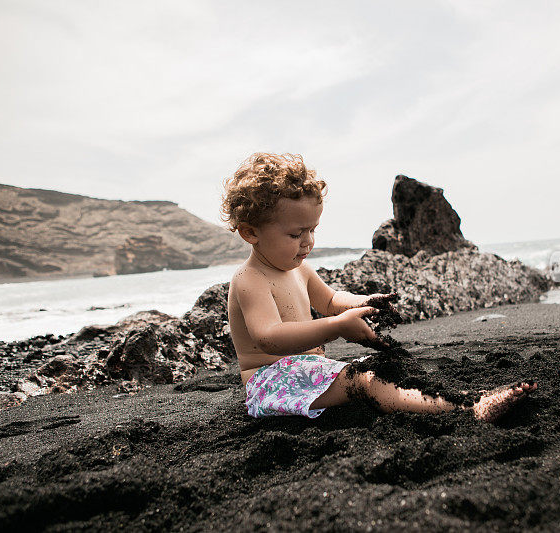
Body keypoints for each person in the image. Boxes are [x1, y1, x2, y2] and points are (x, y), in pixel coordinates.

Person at [220, 152, 536, 422]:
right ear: (251, 233)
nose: (308, 242)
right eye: (295, 234)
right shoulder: (250, 281)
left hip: (308, 371)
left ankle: (457, 398)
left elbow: (331, 300)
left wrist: (362, 302)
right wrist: (336, 327)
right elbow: (269, 338)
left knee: (384, 368)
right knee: (366, 382)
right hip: (271, 383)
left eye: (312, 230)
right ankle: (467, 408)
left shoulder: (298, 269)